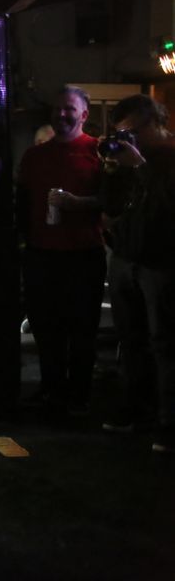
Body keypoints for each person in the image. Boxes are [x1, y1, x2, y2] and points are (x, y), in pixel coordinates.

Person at [17, 85, 105, 415]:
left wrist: (79, 203)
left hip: (83, 254)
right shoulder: (35, 156)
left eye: (69, 109)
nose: (62, 114)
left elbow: (114, 200)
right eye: (57, 108)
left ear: (84, 114)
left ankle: (79, 395)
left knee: (82, 330)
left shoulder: (98, 151)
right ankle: (51, 389)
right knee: (46, 329)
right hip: (42, 254)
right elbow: (22, 203)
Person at [99, 94, 175, 453]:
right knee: (130, 339)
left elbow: (166, 204)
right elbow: (111, 205)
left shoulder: (170, 156)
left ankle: (170, 423)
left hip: (162, 262)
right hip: (126, 257)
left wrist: (140, 165)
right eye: (122, 134)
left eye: (132, 132)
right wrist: (112, 169)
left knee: (166, 344)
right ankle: (137, 410)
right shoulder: (128, 160)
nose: (128, 140)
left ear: (154, 123)